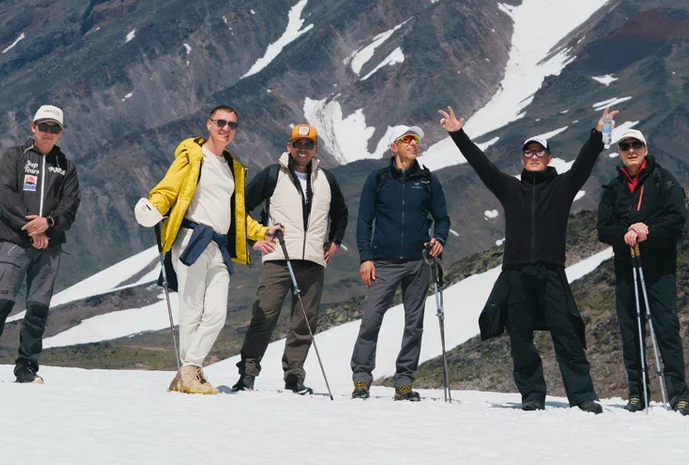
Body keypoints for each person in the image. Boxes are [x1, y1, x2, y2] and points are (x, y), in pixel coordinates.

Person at [440, 105, 613, 414]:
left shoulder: (562, 187)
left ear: (549, 158)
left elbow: (585, 163)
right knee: (520, 337)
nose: (533, 156)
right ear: (522, 159)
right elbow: (481, 165)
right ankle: (532, 394)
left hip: (551, 271)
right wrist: (457, 134)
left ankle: (583, 396)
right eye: (528, 152)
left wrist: (598, 135)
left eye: (539, 152)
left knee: (567, 333)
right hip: (516, 273)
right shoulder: (509, 188)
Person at [134, 105, 277, 395]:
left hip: (219, 246)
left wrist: (260, 232)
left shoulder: (232, 167)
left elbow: (236, 213)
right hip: (191, 238)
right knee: (191, 310)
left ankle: (187, 371)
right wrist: (155, 207)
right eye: (221, 122)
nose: (226, 129)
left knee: (215, 314)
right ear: (209, 124)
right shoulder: (192, 156)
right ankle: (189, 374)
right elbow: (169, 188)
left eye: (232, 125)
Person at [232, 123, 348, 394]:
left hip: (313, 261)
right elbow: (242, 207)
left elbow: (341, 213)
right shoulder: (273, 174)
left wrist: (335, 242)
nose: (303, 149)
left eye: (308, 145)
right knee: (265, 315)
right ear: (289, 146)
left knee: (304, 321)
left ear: (316, 148)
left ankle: (294, 376)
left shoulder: (327, 179)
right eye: (298, 144)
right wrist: (254, 238)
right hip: (278, 258)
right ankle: (248, 373)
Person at [0, 105, 82, 383]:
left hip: (49, 246)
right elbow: (6, 197)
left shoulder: (66, 167)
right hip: (14, 242)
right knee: (1, 303)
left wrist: (50, 224)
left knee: (37, 310)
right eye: (43, 126)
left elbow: (70, 206)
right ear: (33, 127)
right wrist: (33, 227)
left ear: (61, 133)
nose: (48, 133)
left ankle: (27, 368)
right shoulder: (14, 157)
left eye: (54, 128)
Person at [349, 125, 451, 401]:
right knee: (370, 320)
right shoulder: (378, 179)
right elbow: (364, 222)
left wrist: (439, 238)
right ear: (393, 146)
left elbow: (442, 218)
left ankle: (404, 381)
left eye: (415, 139)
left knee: (414, 323)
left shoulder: (428, 180)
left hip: (419, 261)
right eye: (406, 139)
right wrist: (365, 258)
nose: (413, 143)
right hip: (383, 262)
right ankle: (361, 380)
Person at [596, 128, 689, 414]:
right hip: (627, 267)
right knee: (631, 330)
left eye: (636, 145)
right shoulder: (613, 189)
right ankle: (637, 393)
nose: (631, 150)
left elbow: (677, 217)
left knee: (666, 328)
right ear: (620, 153)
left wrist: (648, 231)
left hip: (660, 267)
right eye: (625, 146)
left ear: (646, 149)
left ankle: (679, 394)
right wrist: (626, 231)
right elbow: (603, 229)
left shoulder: (664, 181)